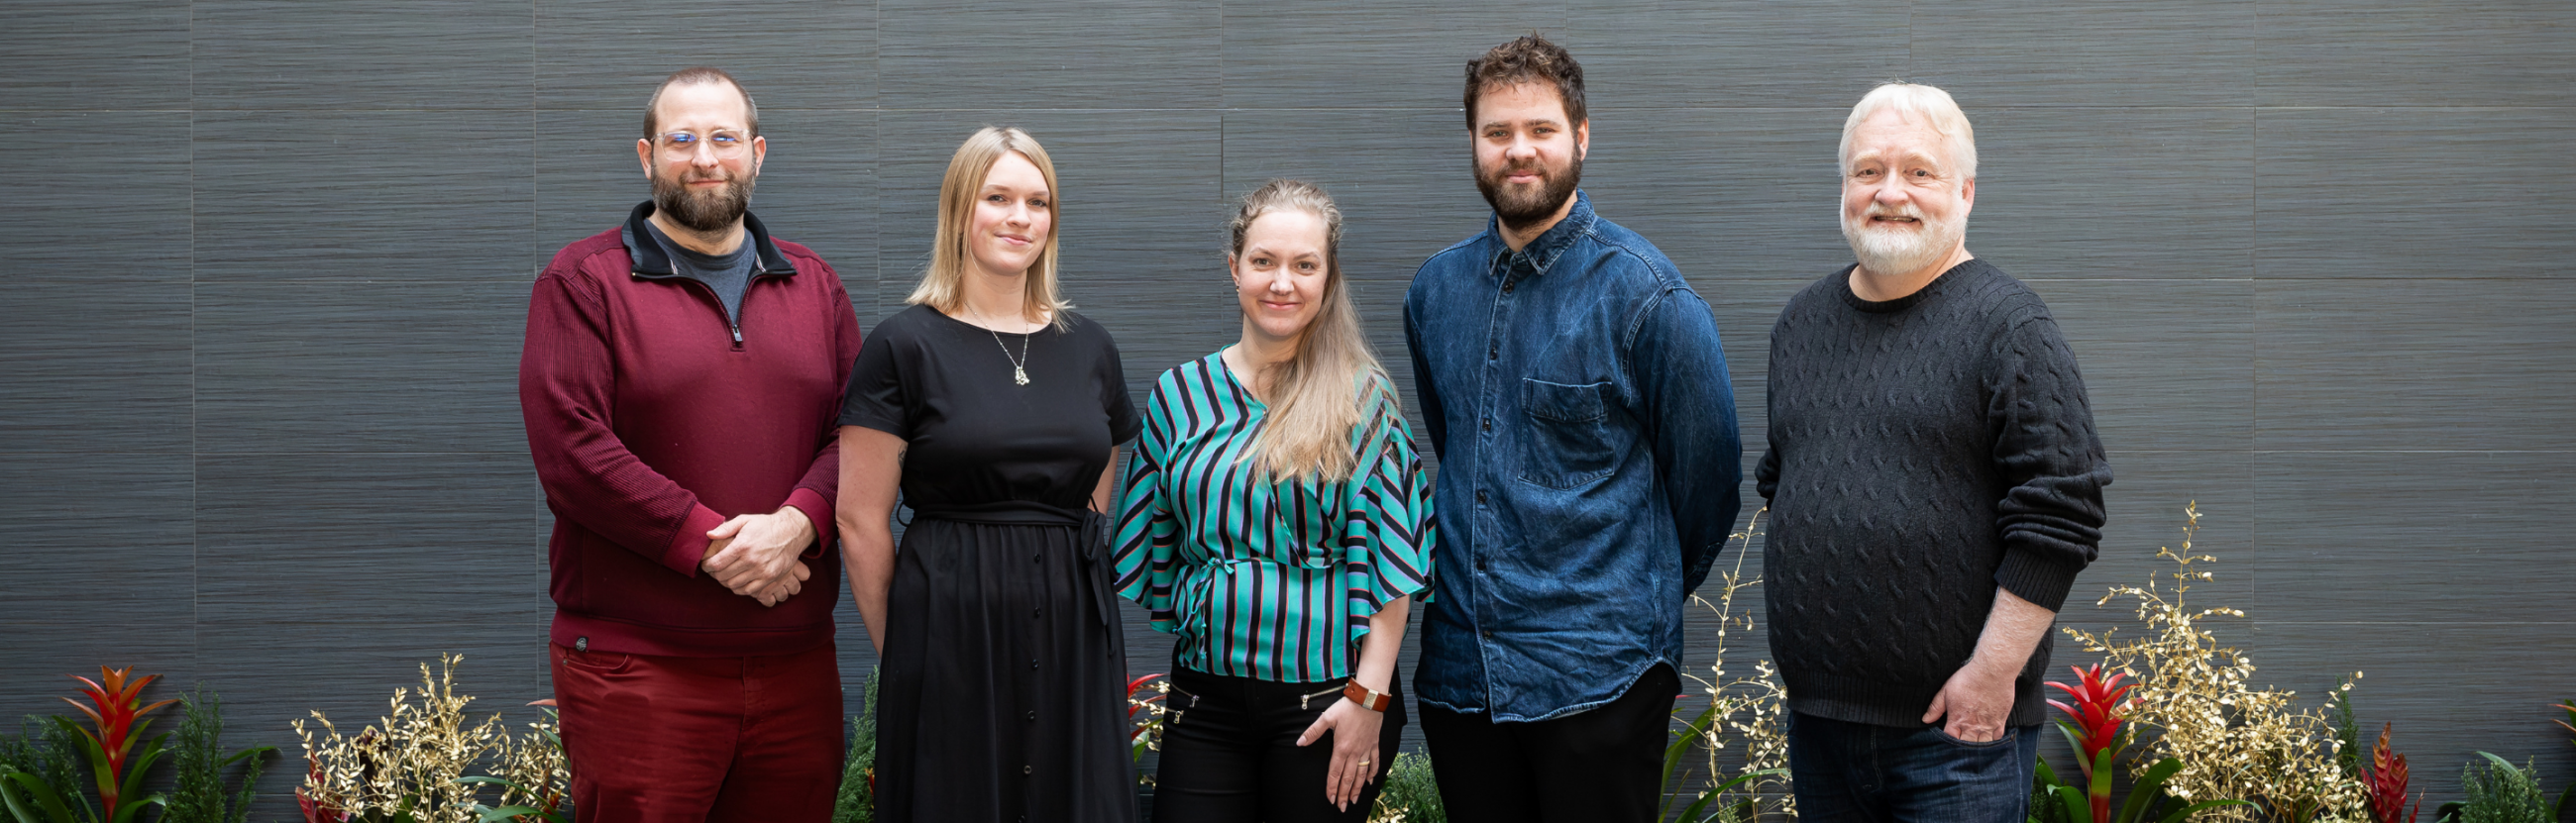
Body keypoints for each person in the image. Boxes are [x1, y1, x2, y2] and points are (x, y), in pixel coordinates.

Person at [1401, 35, 1744, 823]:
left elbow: (1706, 481)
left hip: (1601, 675)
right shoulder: (1435, 290)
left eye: (1541, 130)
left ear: (1581, 136)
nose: (1520, 150)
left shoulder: (1648, 298)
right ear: (1474, 144)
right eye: (1498, 132)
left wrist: (1627, 596)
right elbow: (1463, 454)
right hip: (1463, 674)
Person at [1756, 82, 2111, 822]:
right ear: (1845, 186)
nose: (1891, 193)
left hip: (1955, 739)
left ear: (1966, 191)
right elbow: (1787, 484)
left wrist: (1992, 674)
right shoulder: (1802, 323)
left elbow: (2063, 517)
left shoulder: (2012, 328)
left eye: (1919, 172)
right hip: (1820, 729)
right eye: (1868, 171)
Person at [520, 66, 861, 822]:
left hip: (795, 663)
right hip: (638, 667)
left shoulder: (817, 286)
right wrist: (718, 546)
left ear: (758, 152)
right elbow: (573, 451)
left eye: (723, 138)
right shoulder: (583, 281)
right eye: (681, 139)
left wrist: (796, 524)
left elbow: (858, 438)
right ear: (646, 157)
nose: (704, 157)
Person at [834, 126, 1140, 823]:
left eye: (1037, 201)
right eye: (997, 196)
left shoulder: (1090, 345)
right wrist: (911, 642)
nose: (1019, 217)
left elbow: (1093, 497)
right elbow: (858, 518)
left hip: (1072, 631)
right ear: (959, 210)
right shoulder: (902, 345)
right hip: (947, 623)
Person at [1111, 180, 1436, 823]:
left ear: (1328, 276)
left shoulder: (1360, 397)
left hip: (1329, 701)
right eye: (1264, 261)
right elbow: (1162, 551)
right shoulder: (1180, 395)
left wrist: (1368, 701)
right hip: (1205, 704)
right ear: (1235, 268)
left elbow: (1389, 564)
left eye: (1303, 264)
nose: (1281, 281)